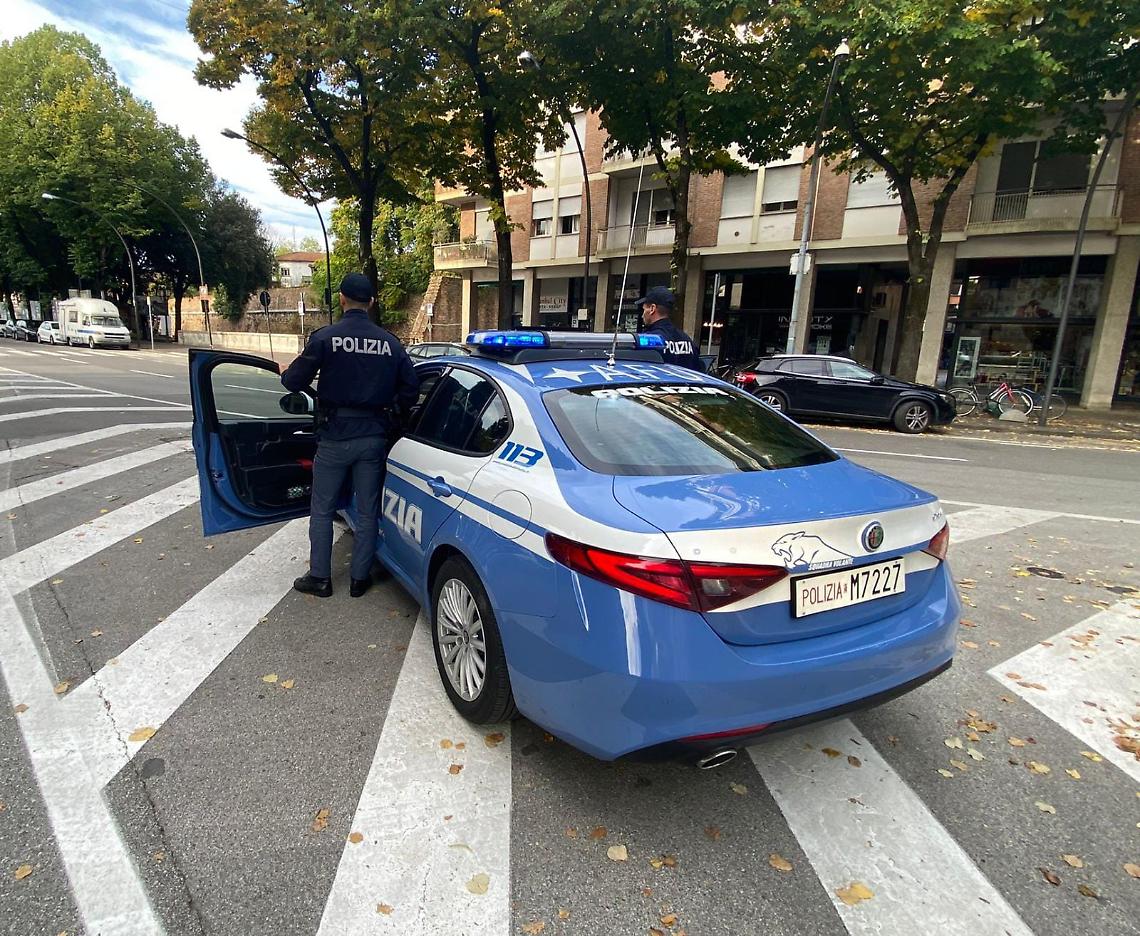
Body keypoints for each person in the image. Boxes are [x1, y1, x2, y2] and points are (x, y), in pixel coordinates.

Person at [282, 272, 419, 599]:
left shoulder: (326, 338)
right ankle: (359, 579)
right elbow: (411, 389)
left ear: (342, 298)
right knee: (368, 509)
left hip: (334, 438)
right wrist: (393, 411)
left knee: (323, 509)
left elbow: (291, 382)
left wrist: (305, 385)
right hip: (373, 437)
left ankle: (320, 578)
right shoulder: (390, 343)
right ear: (371, 302)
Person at [635, 285, 704, 371]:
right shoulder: (687, 340)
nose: (642, 315)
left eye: (644, 309)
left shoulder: (649, 340)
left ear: (652, 308)